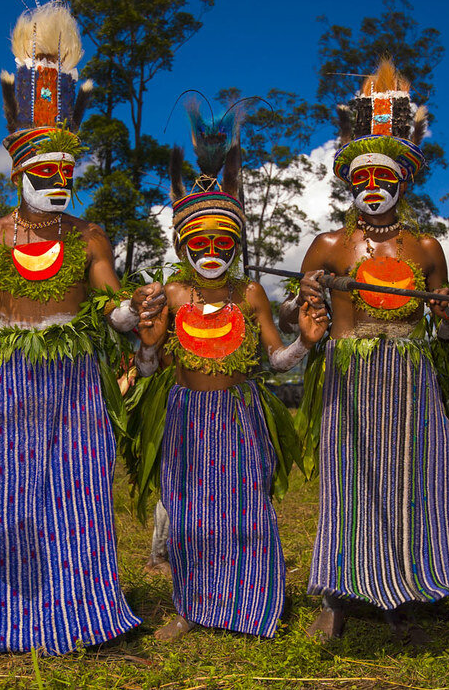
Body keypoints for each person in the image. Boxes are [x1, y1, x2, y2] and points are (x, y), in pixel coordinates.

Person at [0, 0, 162, 654]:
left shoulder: (89, 236)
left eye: (64, 170)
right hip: (1, 380)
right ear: (18, 169)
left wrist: (132, 313)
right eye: (41, 170)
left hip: (75, 381)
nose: (55, 179)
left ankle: (83, 612)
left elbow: (109, 302)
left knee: (78, 492)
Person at [285, 59, 449, 642]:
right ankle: (338, 596)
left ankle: (403, 592)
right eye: (361, 178)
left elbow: (447, 325)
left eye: (383, 177)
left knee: (411, 482)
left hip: (412, 378)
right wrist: (306, 303)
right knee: (350, 483)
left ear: (404, 180)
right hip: (350, 375)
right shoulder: (330, 245)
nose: (372, 187)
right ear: (347, 182)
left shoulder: (428, 248)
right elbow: (296, 310)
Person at [133, 102, 327, 641]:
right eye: (200, 243)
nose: (213, 251)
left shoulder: (250, 294)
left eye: (223, 242)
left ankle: (257, 602)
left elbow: (275, 359)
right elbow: (149, 367)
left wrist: (305, 344)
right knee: (190, 514)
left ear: (237, 245)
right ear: (181, 245)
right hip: (187, 415)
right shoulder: (170, 295)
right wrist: (148, 346)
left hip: (240, 414)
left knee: (248, 511)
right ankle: (191, 607)